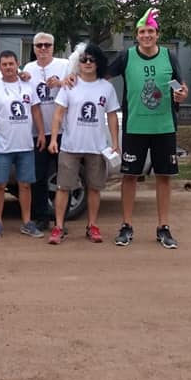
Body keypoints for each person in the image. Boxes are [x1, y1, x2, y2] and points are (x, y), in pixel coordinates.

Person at [110, 8, 188, 248]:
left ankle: (163, 227)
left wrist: (181, 93)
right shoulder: (126, 57)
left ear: (157, 34)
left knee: (164, 176)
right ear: (136, 35)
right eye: (142, 32)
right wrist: (73, 76)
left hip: (164, 127)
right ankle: (126, 225)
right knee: (130, 176)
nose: (146, 35)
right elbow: (102, 75)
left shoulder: (168, 57)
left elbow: (176, 83)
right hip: (135, 127)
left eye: (150, 31)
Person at [48, 43, 120, 245]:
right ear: (77, 63)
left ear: (99, 63)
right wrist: (53, 139)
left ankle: (92, 226)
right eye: (84, 59)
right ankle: (59, 227)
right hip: (70, 147)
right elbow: (58, 114)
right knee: (63, 187)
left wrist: (115, 142)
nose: (88, 63)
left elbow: (112, 116)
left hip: (97, 147)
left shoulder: (106, 88)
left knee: (94, 188)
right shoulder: (69, 85)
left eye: (92, 60)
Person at [0, 50, 45, 239]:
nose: (8, 67)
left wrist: (41, 133)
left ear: (18, 64)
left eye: (11, 63)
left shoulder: (28, 85)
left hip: (25, 145)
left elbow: (35, 110)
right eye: (4, 64)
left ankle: (27, 222)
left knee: (25, 186)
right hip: (2, 146)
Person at [22, 32, 71, 230]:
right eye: (39, 45)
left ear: (53, 47)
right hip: (38, 132)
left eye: (47, 45)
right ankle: (42, 217)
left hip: (62, 131)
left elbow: (76, 84)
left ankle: (61, 220)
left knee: (64, 178)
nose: (43, 48)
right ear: (34, 48)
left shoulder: (64, 64)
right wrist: (22, 77)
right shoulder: (28, 68)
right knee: (39, 177)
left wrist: (60, 83)